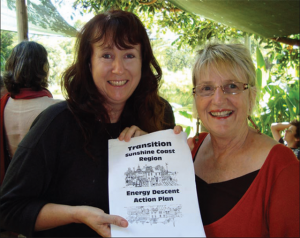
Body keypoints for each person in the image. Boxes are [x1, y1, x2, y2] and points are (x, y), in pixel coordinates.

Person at [0, 10, 175, 237]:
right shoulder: (56, 123)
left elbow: (168, 203)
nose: (119, 68)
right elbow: (9, 209)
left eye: (129, 55)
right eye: (107, 55)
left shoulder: (159, 114)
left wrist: (156, 152)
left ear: (143, 62)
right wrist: (77, 214)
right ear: (88, 62)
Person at [191, 43, 299, 237]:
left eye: (231, 86)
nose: (218, 99)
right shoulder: (188, 151)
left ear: (252, 96)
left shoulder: (282, 166)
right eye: (206, 88)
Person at [0, 41, 62, 185]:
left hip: (10, 189)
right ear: (44, 68)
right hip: (46, 193)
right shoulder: (59, 109)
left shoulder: (3, 106)